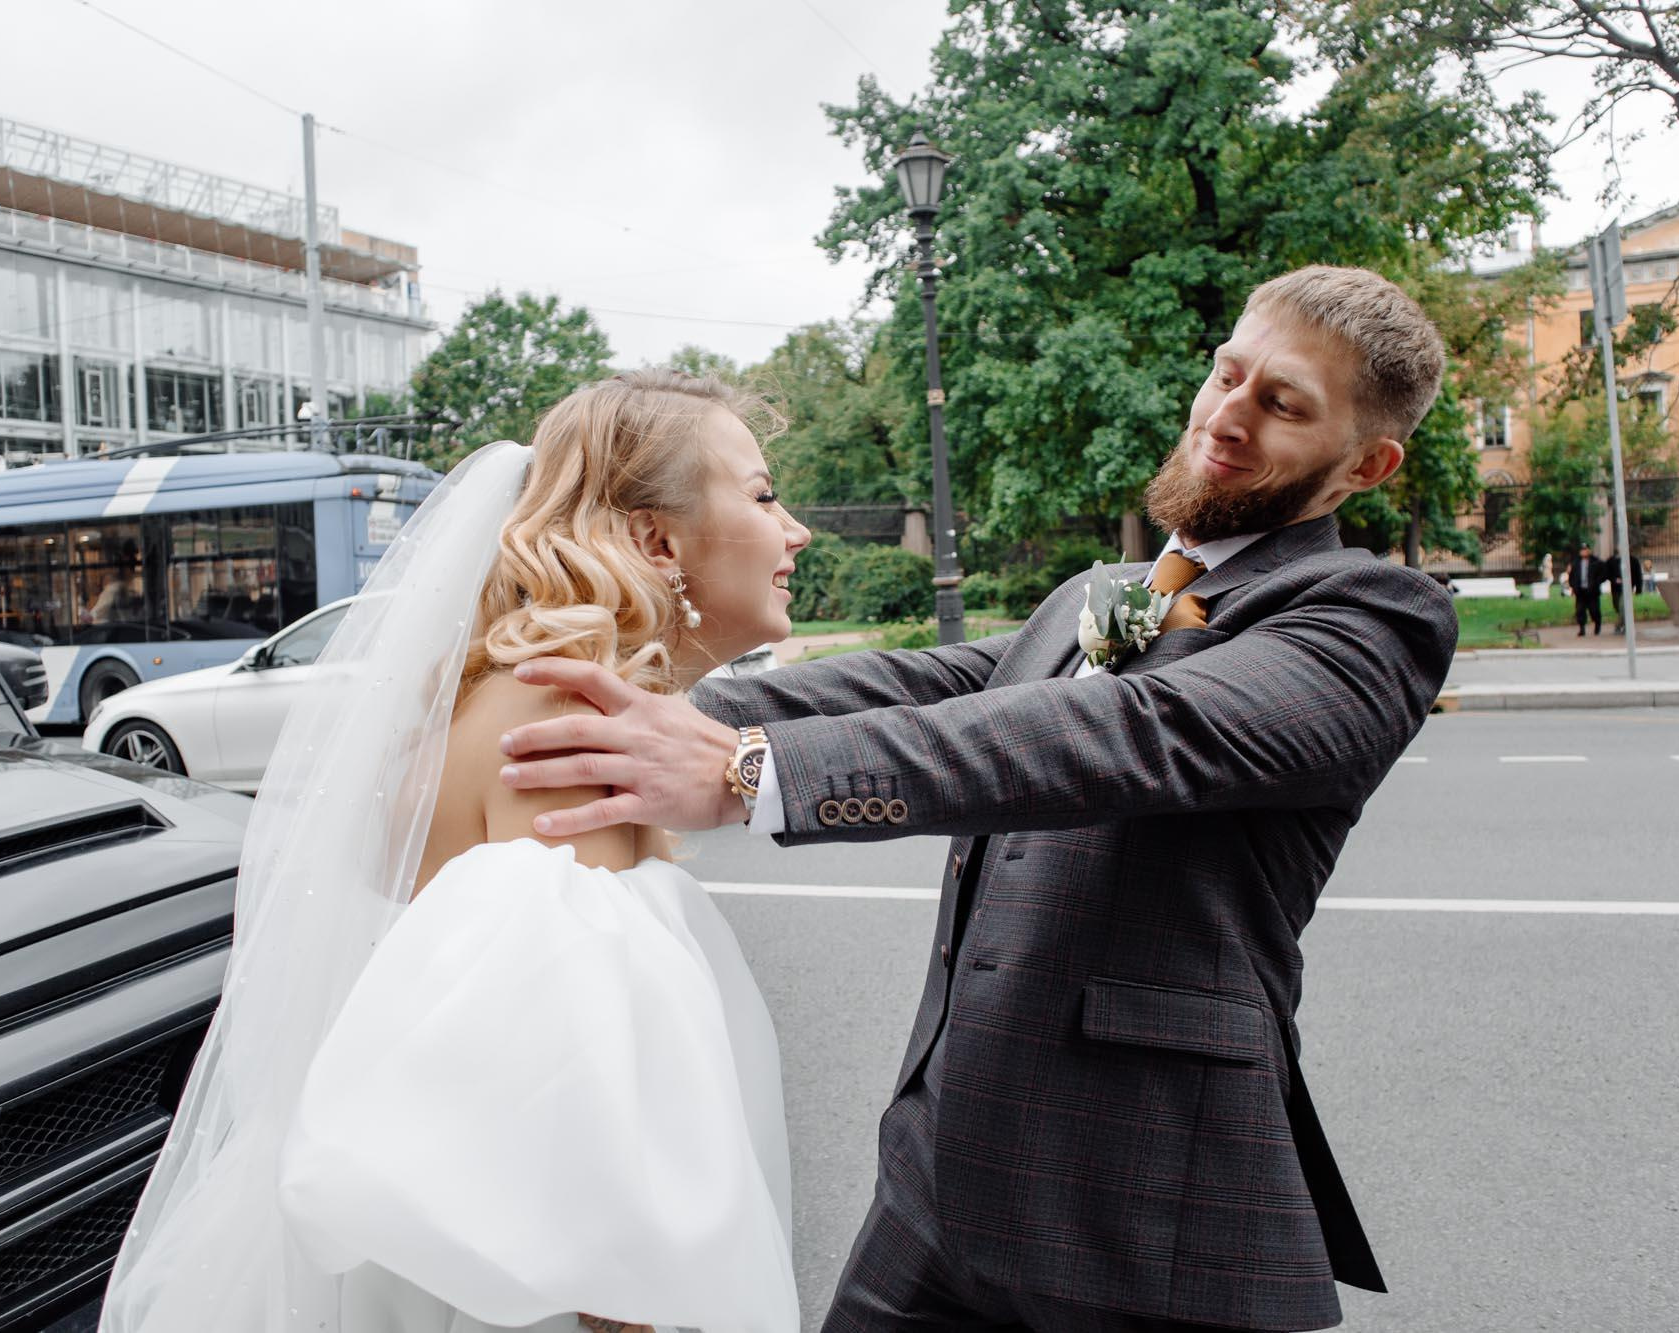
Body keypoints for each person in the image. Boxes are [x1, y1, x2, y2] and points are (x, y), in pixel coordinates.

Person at [498, 266, 1458, 1331]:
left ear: (1365, 462)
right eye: (1227, 374)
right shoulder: (1109, 597)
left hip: (1144, 1221)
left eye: (1280, 405)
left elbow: (1132, 732)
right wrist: (658, 693)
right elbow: (931, 683)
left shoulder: (1365, 617)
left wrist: (748, 774)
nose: (1224, 417)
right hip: (936, 1182)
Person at [100, 371, 808, 1333]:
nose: (795, 529)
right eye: (764, 496)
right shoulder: (572, 723)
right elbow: (581, 1174)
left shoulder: (492, 692)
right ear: (654, 538)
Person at [1569, 542, 1603, 635]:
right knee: (1580, 610)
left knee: (1594, 610)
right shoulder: (1576, 562)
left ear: (1589, 550)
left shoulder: (1595, 561)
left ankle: (1597, 625)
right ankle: (1582, 628)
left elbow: (1601, 574)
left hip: (1592, 591)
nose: (1583, 552)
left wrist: (1596, 583)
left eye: (1585, 550)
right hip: (1580, 591)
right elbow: (1572, 576)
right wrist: (1573, 586)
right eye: (1582, 550)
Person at [1607, 548, 1644, 631]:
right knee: (1618, 607)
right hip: (1616, 588)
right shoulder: (1612, 560)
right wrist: (1614, 579)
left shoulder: (1633, 561)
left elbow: (1638, 575)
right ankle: (1623, 624)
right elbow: (1607, 573)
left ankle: (1621, 625)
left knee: (1623, 606)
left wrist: (1639, 588)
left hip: (1627, 588)